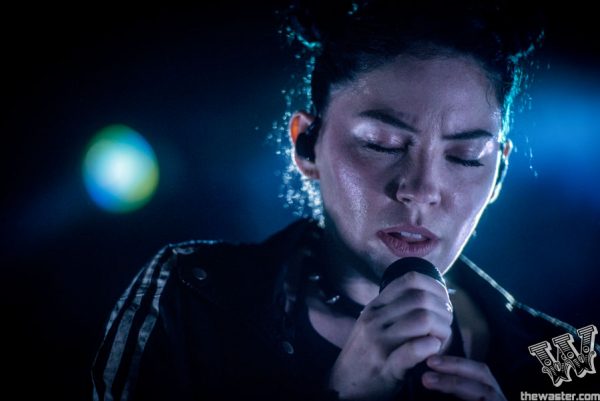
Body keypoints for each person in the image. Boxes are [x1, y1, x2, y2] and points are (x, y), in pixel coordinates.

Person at [91, 1, 599, 400]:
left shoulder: (566, 360)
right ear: (306, 144)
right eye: (381, 143)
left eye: (466, 156)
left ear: (499, 173)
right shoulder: (192, 297)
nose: (420, 189)